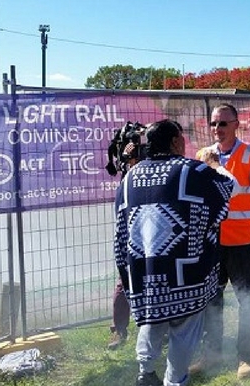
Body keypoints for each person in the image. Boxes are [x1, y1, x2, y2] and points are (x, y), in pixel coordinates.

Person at [114, 119, 236, 386]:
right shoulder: (193, 171)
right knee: (184, 330)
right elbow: (228, 187)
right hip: (185, 274)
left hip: (145, 271)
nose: (184, 143)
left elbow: (122, 228)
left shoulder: (130, 177)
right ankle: (175, 380)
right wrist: (215, 165)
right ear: (175, 142)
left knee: (151, 320)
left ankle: (145, 372)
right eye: (181, 138)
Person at [195, 103, 250, 380]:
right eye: (214, 124)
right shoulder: (202, 155)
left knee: (247, 300)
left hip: (242, 242)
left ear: (237, 125)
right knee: (211, 301)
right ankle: (211, 353)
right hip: (213, 242)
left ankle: (247, 355)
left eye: (223, 123)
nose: (217, 129)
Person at [108, 141, 139, 350]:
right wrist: (127, 161)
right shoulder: (126, 181)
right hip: (131, 237)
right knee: (123, 283)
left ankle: (160, 329)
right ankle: (120, 330)